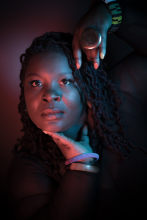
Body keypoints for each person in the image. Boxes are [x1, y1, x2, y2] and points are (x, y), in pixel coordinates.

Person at [6, 0, 147, 219]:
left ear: (86, 85)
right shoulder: (29, 166)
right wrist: (80, 166)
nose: (49, 95)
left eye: (66, 81)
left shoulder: (124, 93)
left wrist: (113, 13)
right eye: (35, 83)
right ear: (24, 98)